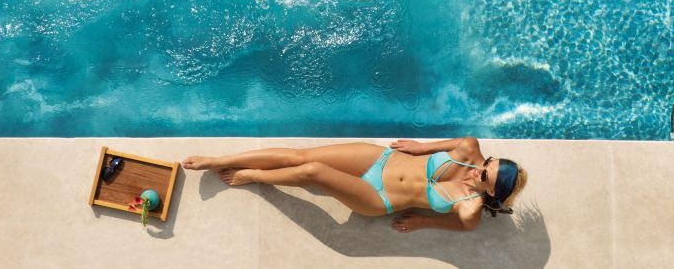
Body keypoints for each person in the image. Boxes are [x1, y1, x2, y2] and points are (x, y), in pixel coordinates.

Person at [182, 136, 527, 232]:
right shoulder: (469, 148)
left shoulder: (469, 209)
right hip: (382, 160)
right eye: (487, 163)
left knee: (313, 171)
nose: (478, 170)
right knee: (301, 155)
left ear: (491, 192)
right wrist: (420, 148)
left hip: (379, 197)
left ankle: (253, 176)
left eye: (484, 177)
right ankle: (219, 160)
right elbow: (445, 145)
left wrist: (422, 222)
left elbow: (460, 226)